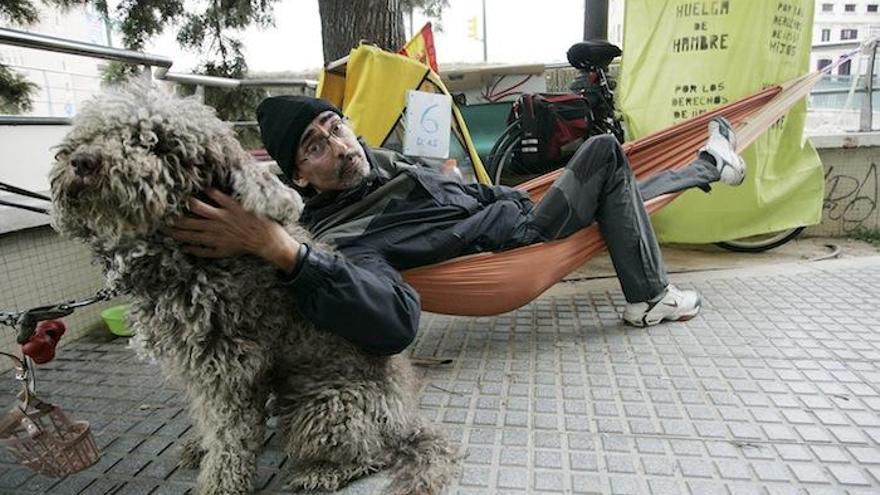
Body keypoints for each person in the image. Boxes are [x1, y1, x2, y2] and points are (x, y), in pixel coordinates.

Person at [168, 95, 746, 355]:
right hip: (524, 240)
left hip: (516, 206)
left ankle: (707, 165)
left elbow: (462, 189)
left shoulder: (383, 164)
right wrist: (287, 253)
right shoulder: (347, 236)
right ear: (301, 179)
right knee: (601, 152)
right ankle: (650, 297)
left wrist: (506, 192)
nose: (339, 147)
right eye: (315, 147)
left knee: (615, 192)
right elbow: (393, 322)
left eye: (334, 127)